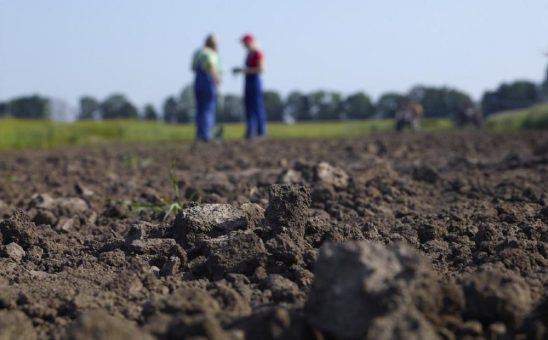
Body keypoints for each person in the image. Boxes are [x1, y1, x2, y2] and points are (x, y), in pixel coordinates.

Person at [233, 34, 266, 139]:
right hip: (247, 82)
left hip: (255, 81)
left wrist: (244, 70)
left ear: (250, 42)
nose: (244, 45)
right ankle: (250, 133)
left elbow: (261, 69)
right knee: (248, 108)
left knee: (257, 107)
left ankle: (261, 133)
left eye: (245, 43)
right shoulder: (248, 55)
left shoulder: (258, 53)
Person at [192, 34, 221, 142]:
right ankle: (206, 134)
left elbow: (193, 68)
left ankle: (200, 134)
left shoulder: (198, 52)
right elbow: (211, 67)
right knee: (208, 109)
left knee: (200, 109)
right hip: (207, 81)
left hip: (198, 80)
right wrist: (217, 81)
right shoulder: (210, 53)